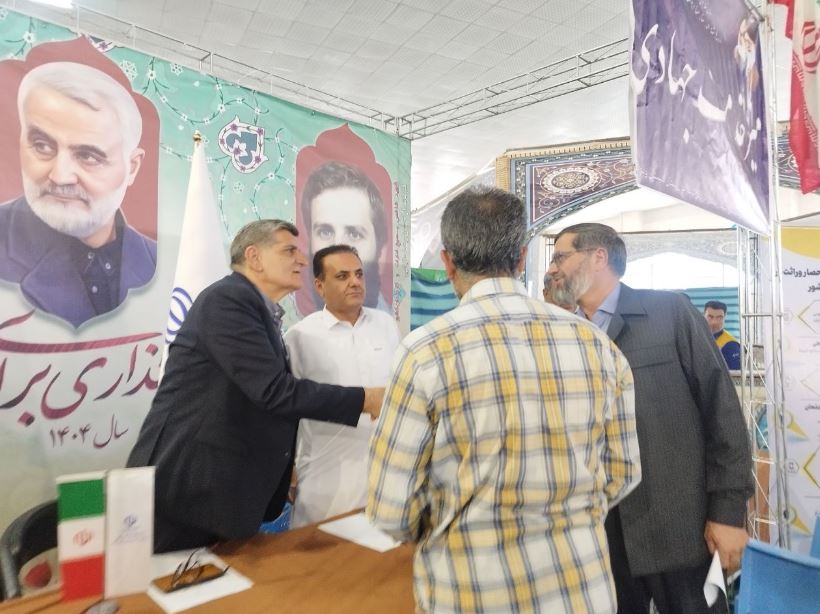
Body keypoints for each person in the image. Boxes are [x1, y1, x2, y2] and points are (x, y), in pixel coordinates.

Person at [368, 187, 641, 612]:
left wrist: (453, 520)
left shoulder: (425, 352)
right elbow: (623, 473)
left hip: (470, 593)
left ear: (447, 262)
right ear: (521, 258)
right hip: (582, 590)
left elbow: (391, 510)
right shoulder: (597, 345)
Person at [127, 220, 384, 553]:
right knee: (160, 583)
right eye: (289, 251)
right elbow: (275, 392)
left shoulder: (258, 310)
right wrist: (365, 399)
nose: (302, 260)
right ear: (254, 257)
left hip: (218, 491)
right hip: (187, 488)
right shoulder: (228, 300)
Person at [547, 222, 753, 614]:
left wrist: (727, 514)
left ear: (598, 257)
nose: (552, 268)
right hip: (599, 536)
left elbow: (722, 412)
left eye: (560, 257)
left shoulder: (668, 313)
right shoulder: (562, 332)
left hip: (681, 529)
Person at [0, 61, 156, 327]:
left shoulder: (160, 265)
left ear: (132, 167)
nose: (60, 176)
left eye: (88, 156)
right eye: (42, 145)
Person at [284, 244, 400, 527]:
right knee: (323, 552)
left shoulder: (386, 325)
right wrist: (286, 468)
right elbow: (286, 406)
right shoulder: (299, 337)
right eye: (342, 276)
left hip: (387, 476)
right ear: (319, 286)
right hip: (325, 479)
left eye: (359, 274)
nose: (355, 282)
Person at [300, 161, 390, 313]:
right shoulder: (297, 329)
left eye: (354, 234)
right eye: (325, 232)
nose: (338, 251)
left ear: (382, 253)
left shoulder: (390, 326)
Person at [704, 300, 741, 370]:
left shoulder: (730, 344)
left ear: (725, 318)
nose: (714, 322)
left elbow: (735, 374)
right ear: (703, 316)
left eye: (719, 317)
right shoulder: (696, 337)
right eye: (710, 317)